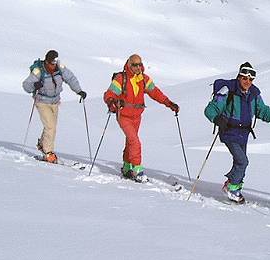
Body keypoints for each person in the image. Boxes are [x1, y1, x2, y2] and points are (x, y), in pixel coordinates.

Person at [203, 62, 270, 203]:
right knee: (243, 161)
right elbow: (210, 109)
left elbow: (262, 111)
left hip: (244, 134)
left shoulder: (254, 93)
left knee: (240, 161)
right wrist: (217, 118)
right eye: (244, 78)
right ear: (239, 77)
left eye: (250, 79)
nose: (247, 81)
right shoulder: (227, 90)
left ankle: (235, 188)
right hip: (229, 131)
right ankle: (231, 188)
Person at [103, 54, 179, 183]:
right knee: (135, 142)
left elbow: (155, 92)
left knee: (131, 142)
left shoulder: (143, 79)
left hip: (137, 116)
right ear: (129, 65)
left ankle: (127, 167)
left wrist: (169, 103)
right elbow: (109, 94)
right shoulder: (122, 79)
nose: (138, 67)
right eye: (135, 65)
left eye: (140, 64)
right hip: (123, 115)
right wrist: (111, 102)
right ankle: (137, 170)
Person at [22, 49, 87, 163]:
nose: (54, 64)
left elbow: (70, 78)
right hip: (42, 101)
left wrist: (79, 91)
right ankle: (48, 153)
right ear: (47, 62)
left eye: (55, 62)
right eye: (52, 62)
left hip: (55, 102)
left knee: (51, 127)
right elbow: (26, 85)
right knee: (50, 127)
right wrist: (35, 85)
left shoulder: (60, 68)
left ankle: (42, 144)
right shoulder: (38, 71)